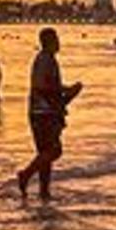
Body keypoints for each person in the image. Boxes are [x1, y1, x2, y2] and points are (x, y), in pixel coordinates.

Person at [17, 28, 83, 199]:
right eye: (56, 39)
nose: (59, 42)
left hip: (43, 110)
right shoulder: (45, 59)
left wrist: (68, 91)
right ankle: (25, 175)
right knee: (54, 151)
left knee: (44, 153)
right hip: (42, 112)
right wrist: (66, 91)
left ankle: (44, 192)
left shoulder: (48, 59)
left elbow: (49, 86)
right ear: (49, 42)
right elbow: (41, 85)